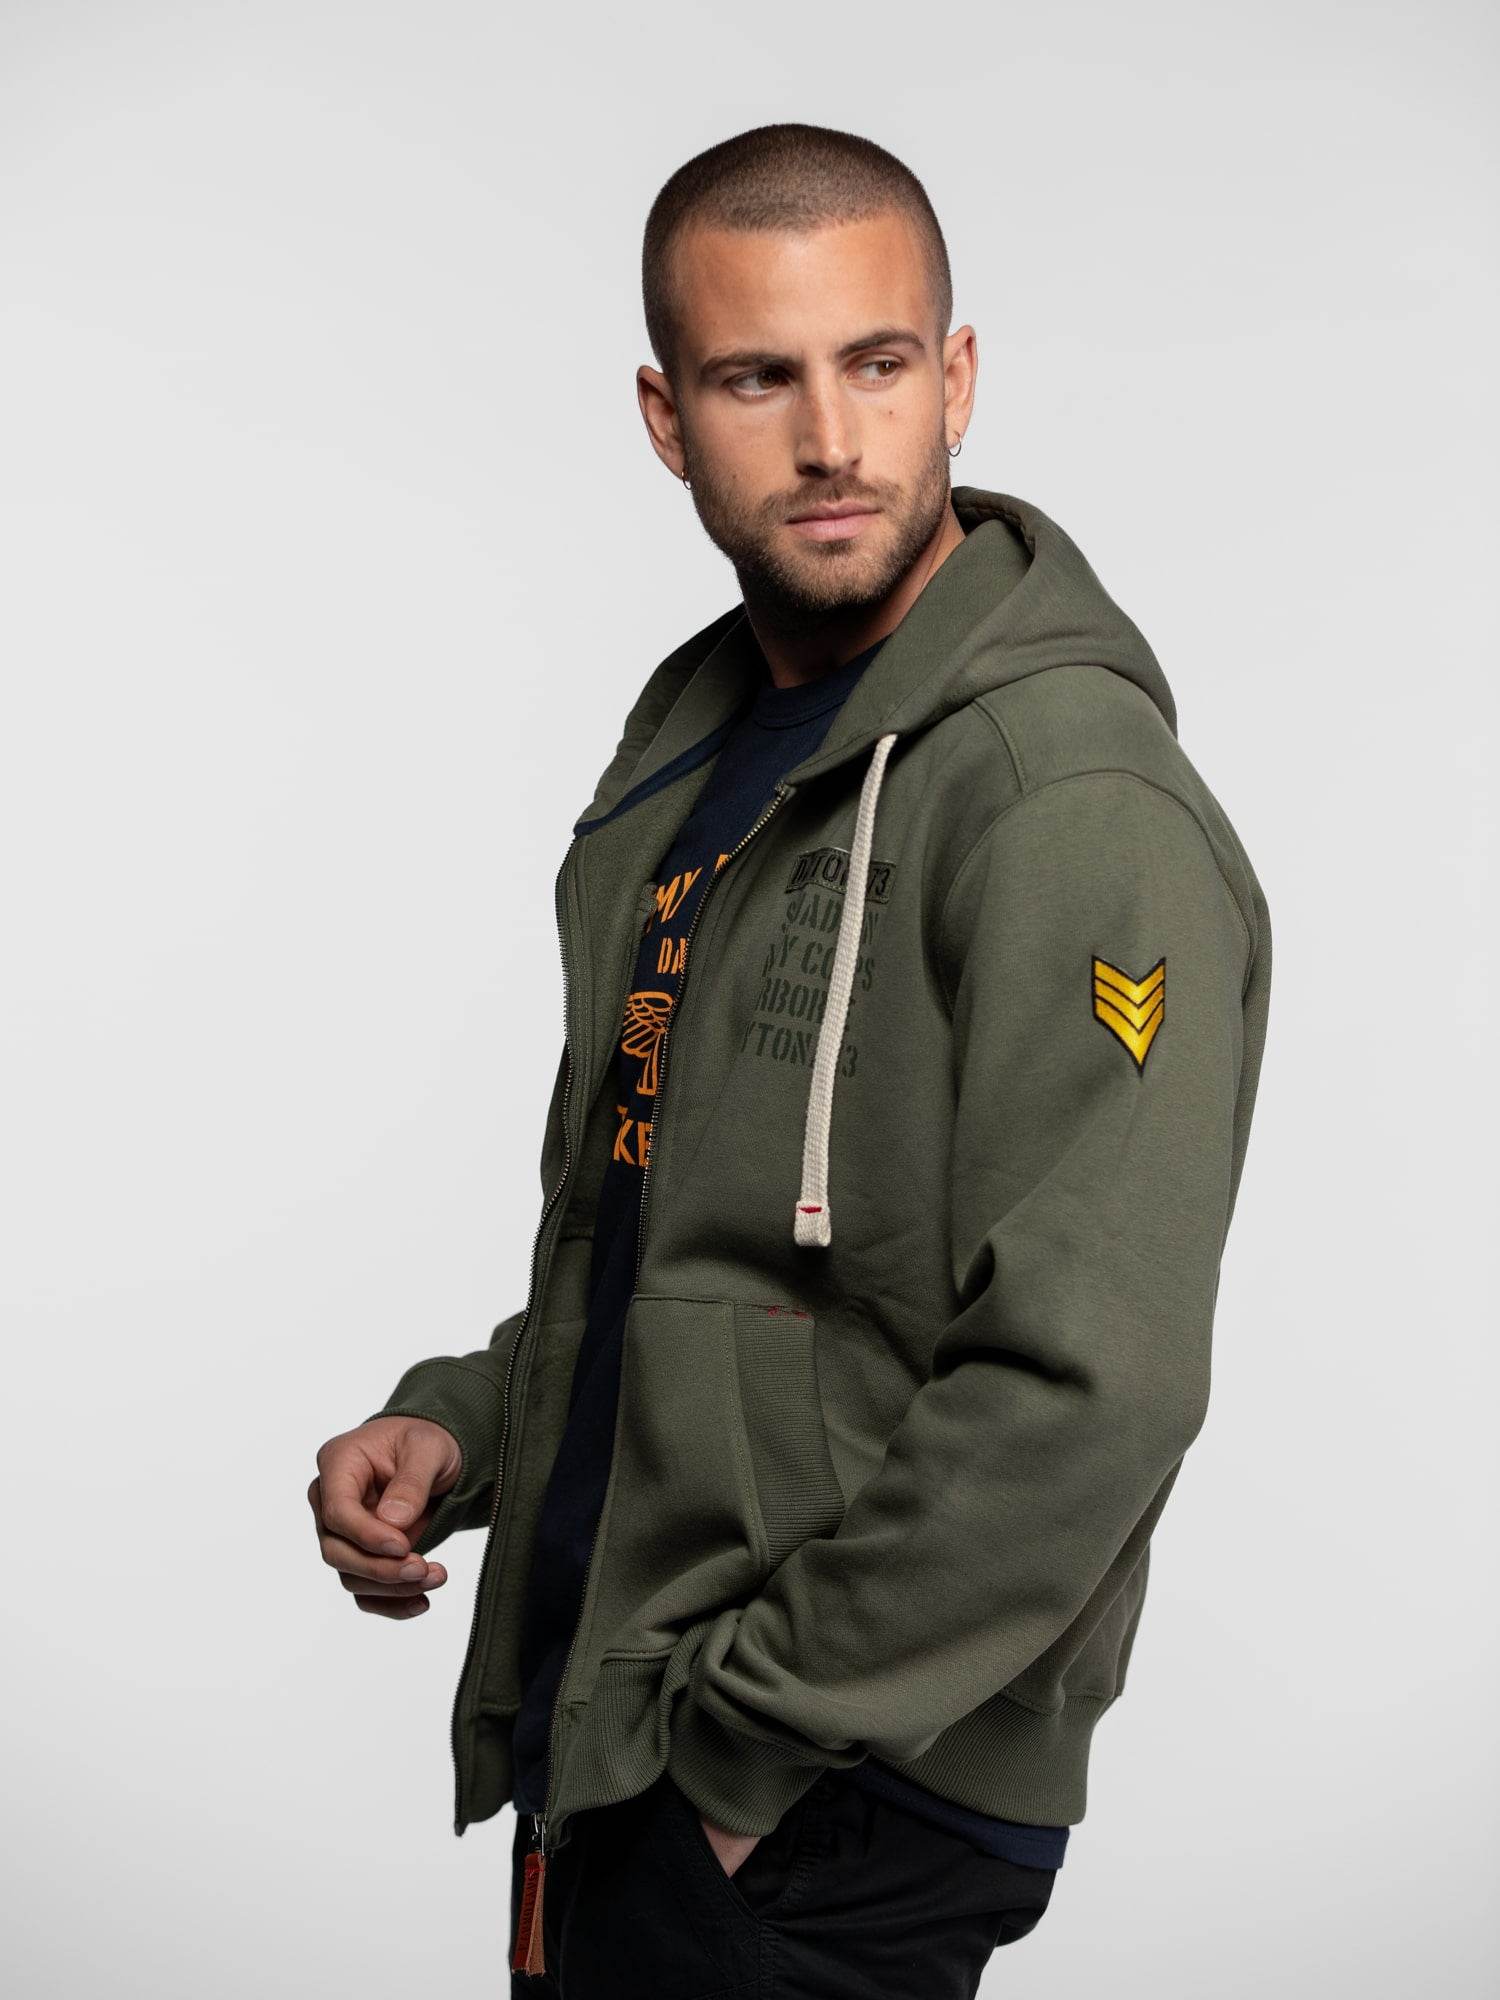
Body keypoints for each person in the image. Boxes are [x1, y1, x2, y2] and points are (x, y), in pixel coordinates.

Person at [308, 121, 1273, 1998]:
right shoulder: (705, 757)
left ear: (958, 378)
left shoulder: (1066, 799)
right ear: (667, 418)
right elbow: (689, 1242)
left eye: (878, 364)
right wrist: (472, 1425)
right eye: (759, 378)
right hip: (620, 1724)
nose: (831, 438)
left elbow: (1094, 1381)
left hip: (822, 1793)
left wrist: (748, 1752)